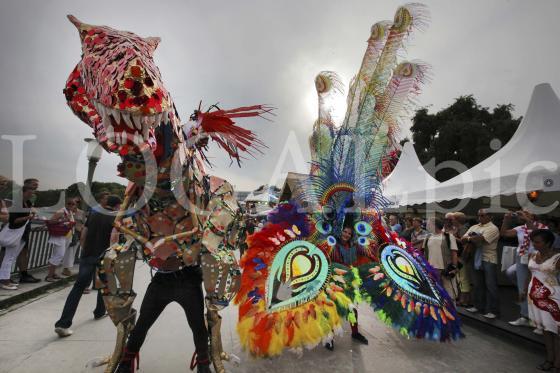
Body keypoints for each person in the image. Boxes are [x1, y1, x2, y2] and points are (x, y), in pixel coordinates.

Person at [54, 195, 121, 337]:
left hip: (88, 255)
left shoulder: (93, 215)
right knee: (104, 285)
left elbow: (83, 234)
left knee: (78, 287)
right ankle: (99, 312)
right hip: (104, 256)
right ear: (117, 206)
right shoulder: (116, 218)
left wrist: (85, 250)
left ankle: (63, 323)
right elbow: (114, 240)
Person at [325, 225, 370, 350]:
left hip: (350, 280)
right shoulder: (333, 245)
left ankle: (355, 332)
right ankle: (330, 339)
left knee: (352, 307)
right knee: (334, 309)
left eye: (349, 233)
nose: (346, 235)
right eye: (345, 231)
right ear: (340, 232)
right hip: (336, 281)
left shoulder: (354, 246)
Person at [501, 210, 548, 328]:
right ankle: (524, 316)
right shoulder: (520, 228)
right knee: (521, 285)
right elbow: (504, 233)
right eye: (521, 214)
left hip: (537, 259)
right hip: (521, 258)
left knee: (537, 288)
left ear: (532, 216)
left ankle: (539, 321)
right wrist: (506, 220)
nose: (522, 215)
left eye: (526, 213)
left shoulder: (542, 227)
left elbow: (536, 234)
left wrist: (527, 220)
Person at [526, 229, 560, 372]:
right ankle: (549, 359)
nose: (534, 244)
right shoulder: (532, 254)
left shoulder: (558, 258)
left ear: (548, 243)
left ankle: (558, 363)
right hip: (534, 297)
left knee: (557, 331)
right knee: (546, 329)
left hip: (553, 298)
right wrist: (523, 290)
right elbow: (531, 275)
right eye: (533, 241)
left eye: (538, 242)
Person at [461, 209, 500, 319]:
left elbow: (480, 239)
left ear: (490, 216)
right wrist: (471, 238)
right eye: (478, 215)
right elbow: (462, 239)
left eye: (482, 215)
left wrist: (470, 238)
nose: (480, 218)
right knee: (477, 284)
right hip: (475, 258)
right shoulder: (475, 226)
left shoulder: (493, 228)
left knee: (490, 285)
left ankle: (494, 311)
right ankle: (478, 306)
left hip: (488, 259)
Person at [0, 186, 35, 290]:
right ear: (22, 193)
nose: (31, 195)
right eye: (29, 193)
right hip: (13, 232)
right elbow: (13, 220)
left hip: (20, 233)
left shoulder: (28, 203)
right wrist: (28, 217)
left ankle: (5, 279)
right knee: (9, 257)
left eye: (32, 193)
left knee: (11, 257)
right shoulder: (17, 204)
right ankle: (5, 281)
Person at [423, 218, 459, 303]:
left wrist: (454, 268)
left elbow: (454, 253)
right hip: (432, 271)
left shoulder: (449, 236)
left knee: (450, 295)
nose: (427, 225)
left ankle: (453, 315)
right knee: (435, 295)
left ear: (435, 225)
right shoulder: (427, 237)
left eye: (429, 224)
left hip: (446, 270)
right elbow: (425, 254)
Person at [14, 178, 41, 283]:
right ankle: (5, 275)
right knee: (8, 252)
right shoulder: (16, 194)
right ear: (26, 185)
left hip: (25, 226)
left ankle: (24, 274)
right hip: (15, 227)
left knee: (24, 251)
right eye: (34, 185)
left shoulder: (32, 197)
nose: (36, 187)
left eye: (37, 186)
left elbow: (30, 209)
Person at [45, 198, 76, 282]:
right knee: (59, 255)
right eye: (70, 203)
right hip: (59, 236)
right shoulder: (61, 212)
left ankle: (53, 273)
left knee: (58, 255)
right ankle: (49, 276)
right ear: (66, 204)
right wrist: (64, 220)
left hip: (66, 235)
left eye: (73, 204)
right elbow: (51, 221)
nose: (71, 205)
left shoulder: (70, 212)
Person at [450, 212, 472, 307]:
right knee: (459, 279)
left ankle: (464, 300)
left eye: (453, 219)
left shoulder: (463, 229)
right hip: (458, 257)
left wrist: (453, 237)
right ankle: (461, 298)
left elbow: (466, 243)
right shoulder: (458, 229)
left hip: (462, 257)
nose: (452, 220)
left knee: (463, 279)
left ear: (457, 220)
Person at [61, 197, 86, 277]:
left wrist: (82, 231)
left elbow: (84, 223)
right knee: (66, 251)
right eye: (70, 203)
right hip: (68, 233)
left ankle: (67, 268)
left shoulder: (81, 212)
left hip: (77, 234)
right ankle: (65, 268)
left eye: (76, 203)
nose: (73, 205)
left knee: (72, 251)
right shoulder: (66, 212)